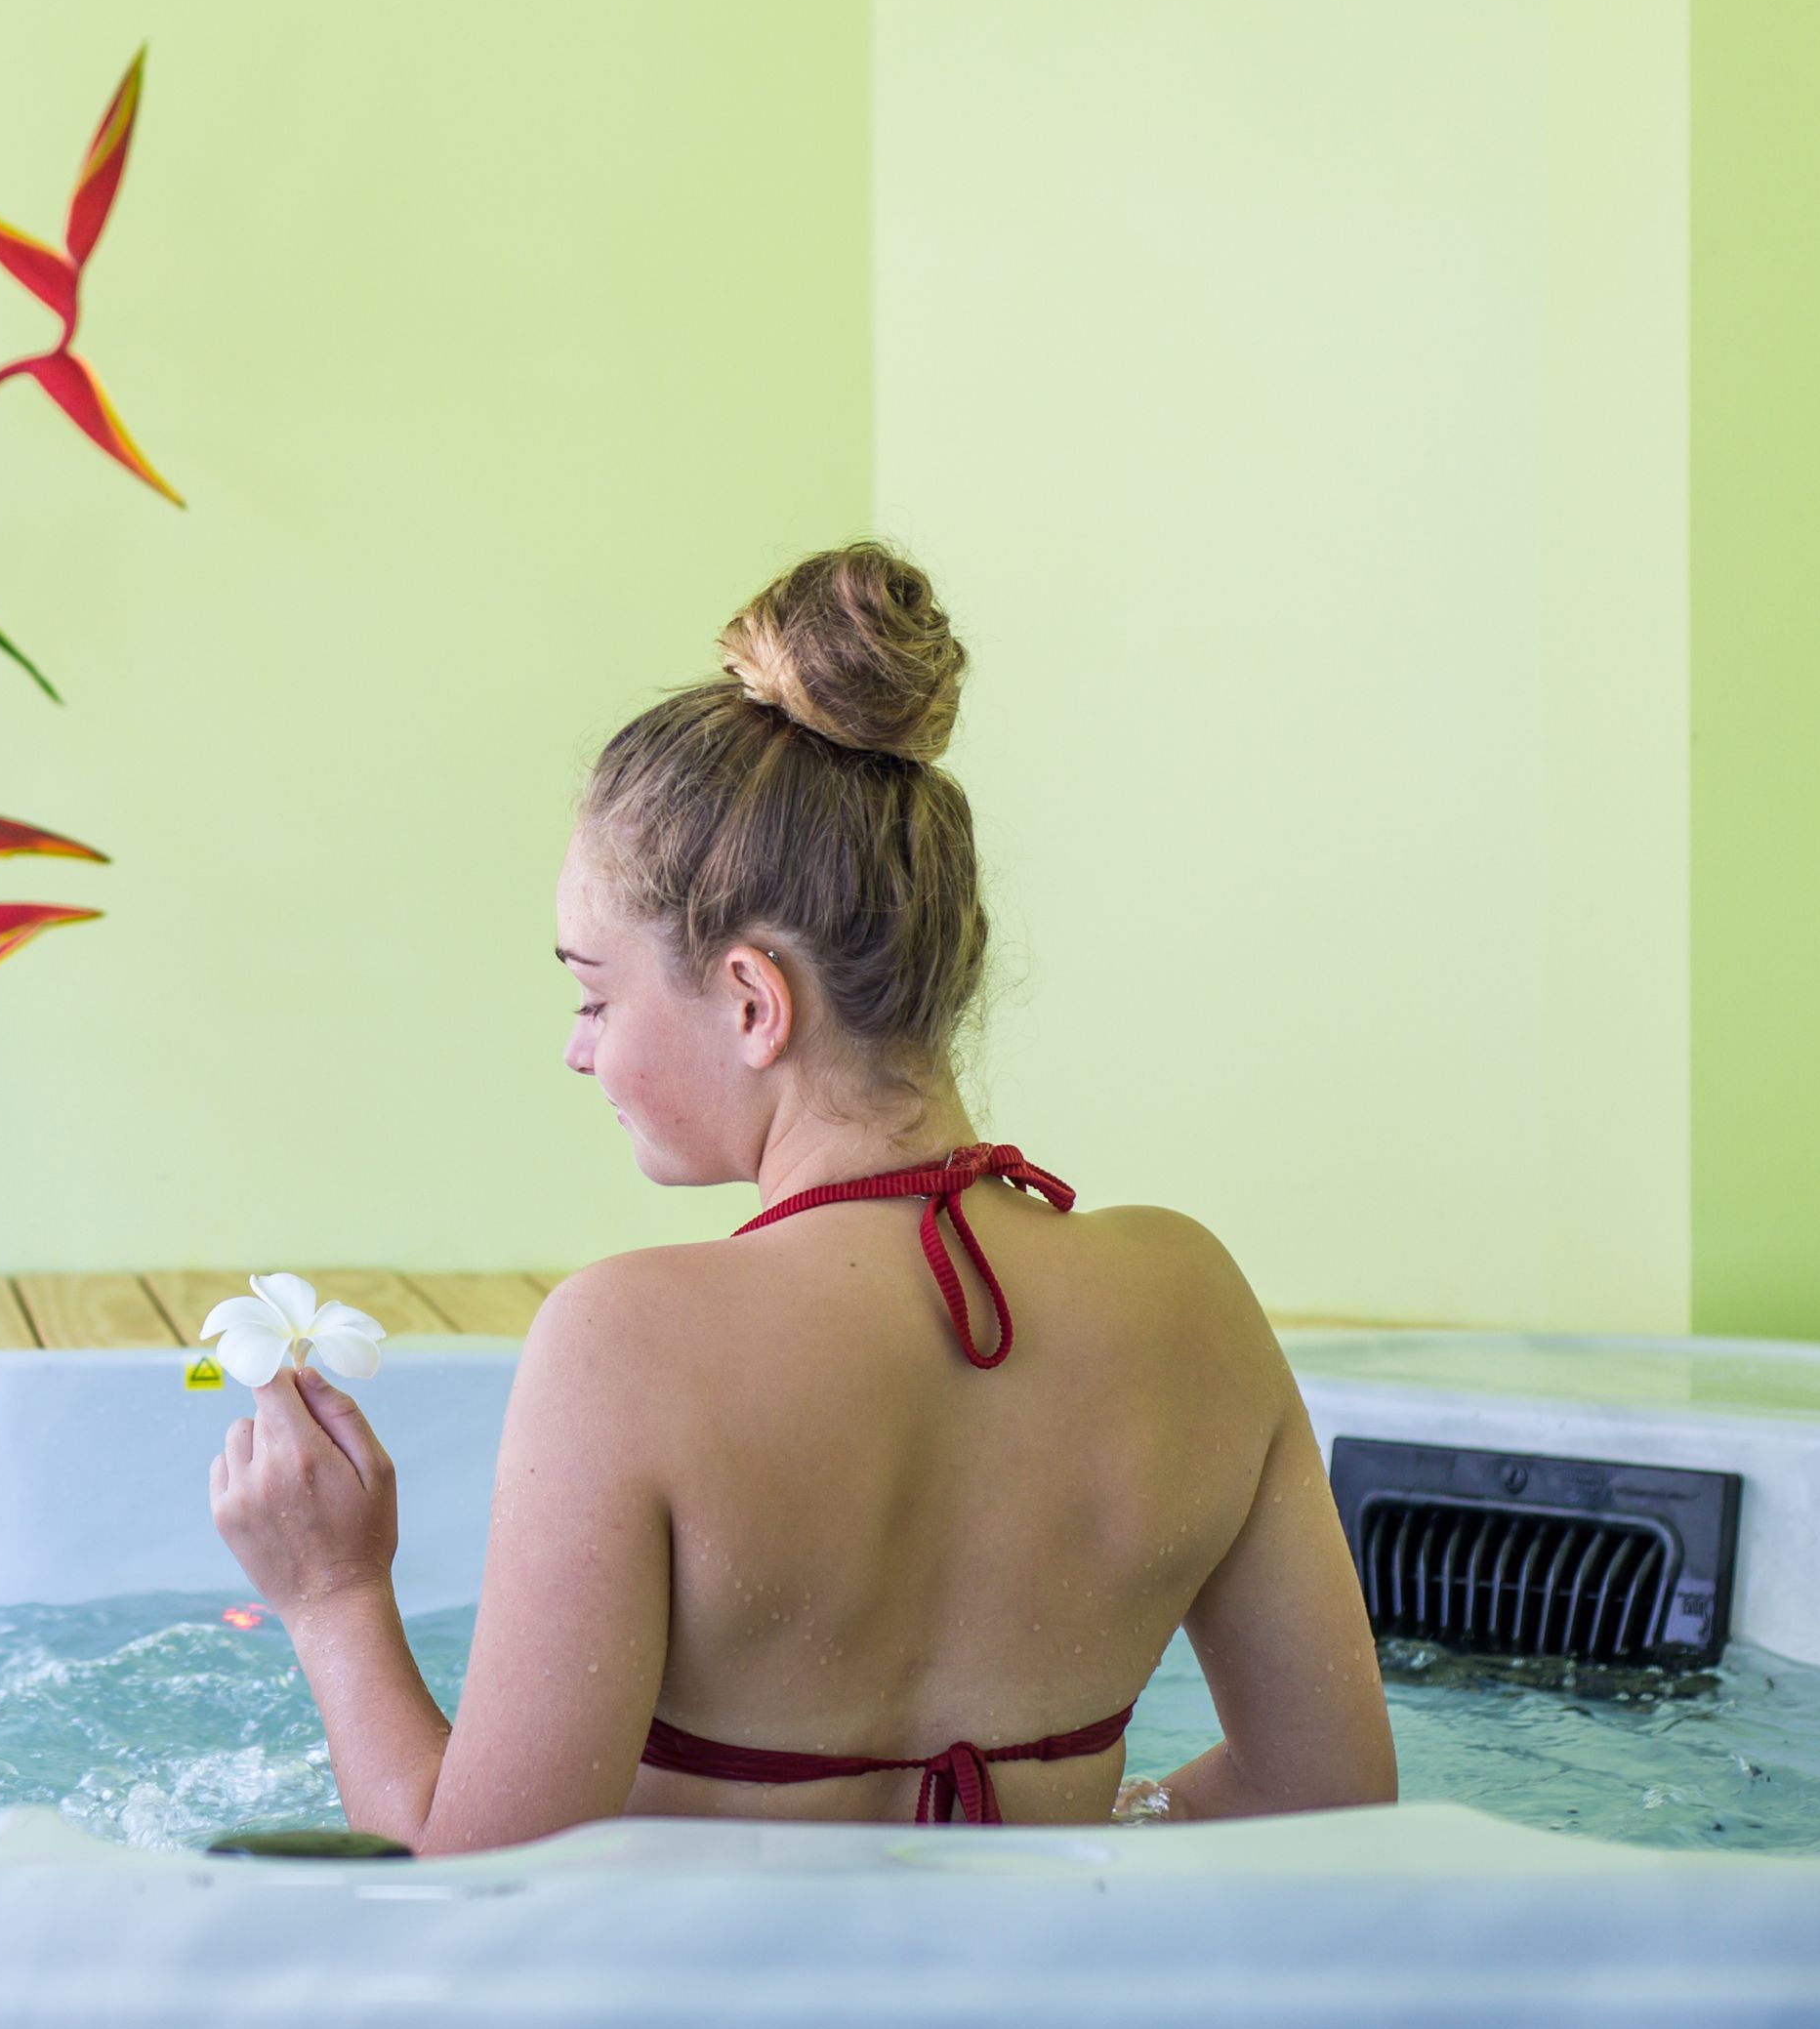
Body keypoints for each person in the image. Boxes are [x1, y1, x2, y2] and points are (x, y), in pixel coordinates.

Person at [209, 542, 1397, 1849]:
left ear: (752, 1001)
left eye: (596, 993)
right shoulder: (1194, 1299)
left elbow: (476, 1878)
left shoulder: (628, 1344)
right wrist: (1104, 1827)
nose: (579, 1046)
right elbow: (1325, 1800)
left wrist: (330, 1597)